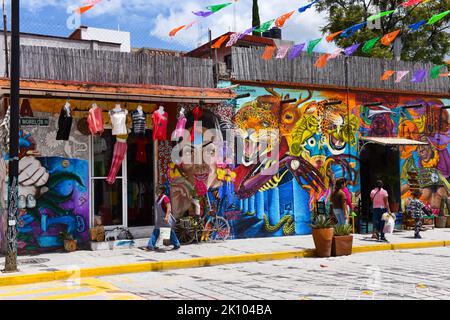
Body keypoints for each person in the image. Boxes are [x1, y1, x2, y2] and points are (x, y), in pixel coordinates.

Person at [144, 186, 180, 252]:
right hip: (160, 219)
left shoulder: (165, 198)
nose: (157, 191)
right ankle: (151, 246)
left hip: (165, 218)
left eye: (158, 190)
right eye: (156, 190)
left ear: (162, 190)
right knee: (156, 231)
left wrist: (166, 217)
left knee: (170, 232)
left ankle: (177, 244)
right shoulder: (159, 198)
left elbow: (169, 208)